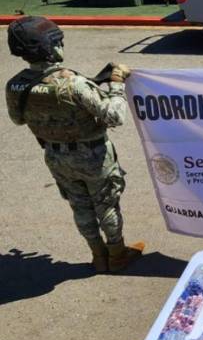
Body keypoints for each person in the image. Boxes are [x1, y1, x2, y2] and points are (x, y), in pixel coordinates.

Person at [5, 16, 145, 273]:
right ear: (50, 48)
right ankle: (117, 255)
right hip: (93, 156)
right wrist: (116, 83)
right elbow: (115, 116)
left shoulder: (16, 85)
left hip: (56, 157)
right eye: (58, 42)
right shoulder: (73, 83)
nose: (61, 46)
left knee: (80, 206)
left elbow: (18, 119)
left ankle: (98, 256)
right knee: (106, 205)